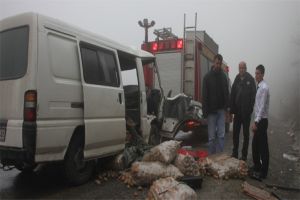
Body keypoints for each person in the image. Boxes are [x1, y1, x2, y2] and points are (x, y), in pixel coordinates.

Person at [202, 54, 229, 154]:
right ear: (213, 62)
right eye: (217, 63)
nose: (218, 65)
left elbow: (226, 93)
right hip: (211, 112)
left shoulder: (223, 77)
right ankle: (212, 158)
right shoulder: (207, 77)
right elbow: (204, 96)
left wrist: (227, 109)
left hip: (221, 111)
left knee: (221, 135)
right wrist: (205, 114)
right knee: (212, 137)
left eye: (220, 63)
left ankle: (220, 158)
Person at [230, 61, 256, 161]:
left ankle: (244, 155)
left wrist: (250, 109)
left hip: (246, 113)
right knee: (235, 134)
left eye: (243, 68)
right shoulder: (236, 78)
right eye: (240, 68)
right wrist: (231, 110)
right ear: (238, 69)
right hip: (237, 112)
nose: (242, 70)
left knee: (246, 135)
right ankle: (235, 153)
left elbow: (253, 96)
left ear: (246, 68)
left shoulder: (250, 79)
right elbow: (232, 95)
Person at [251, 64, 270, 179]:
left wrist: (256, 122)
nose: (256, 75)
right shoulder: (259, 86)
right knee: (255, 145)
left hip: (262, 121)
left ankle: (263, 173)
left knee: (263, 147)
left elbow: (262, 107)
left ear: (263, 74)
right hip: (258, 119)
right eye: (256, 73)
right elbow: (257, 106)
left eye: (258, 73)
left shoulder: (264, 88)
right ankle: (257, 166)